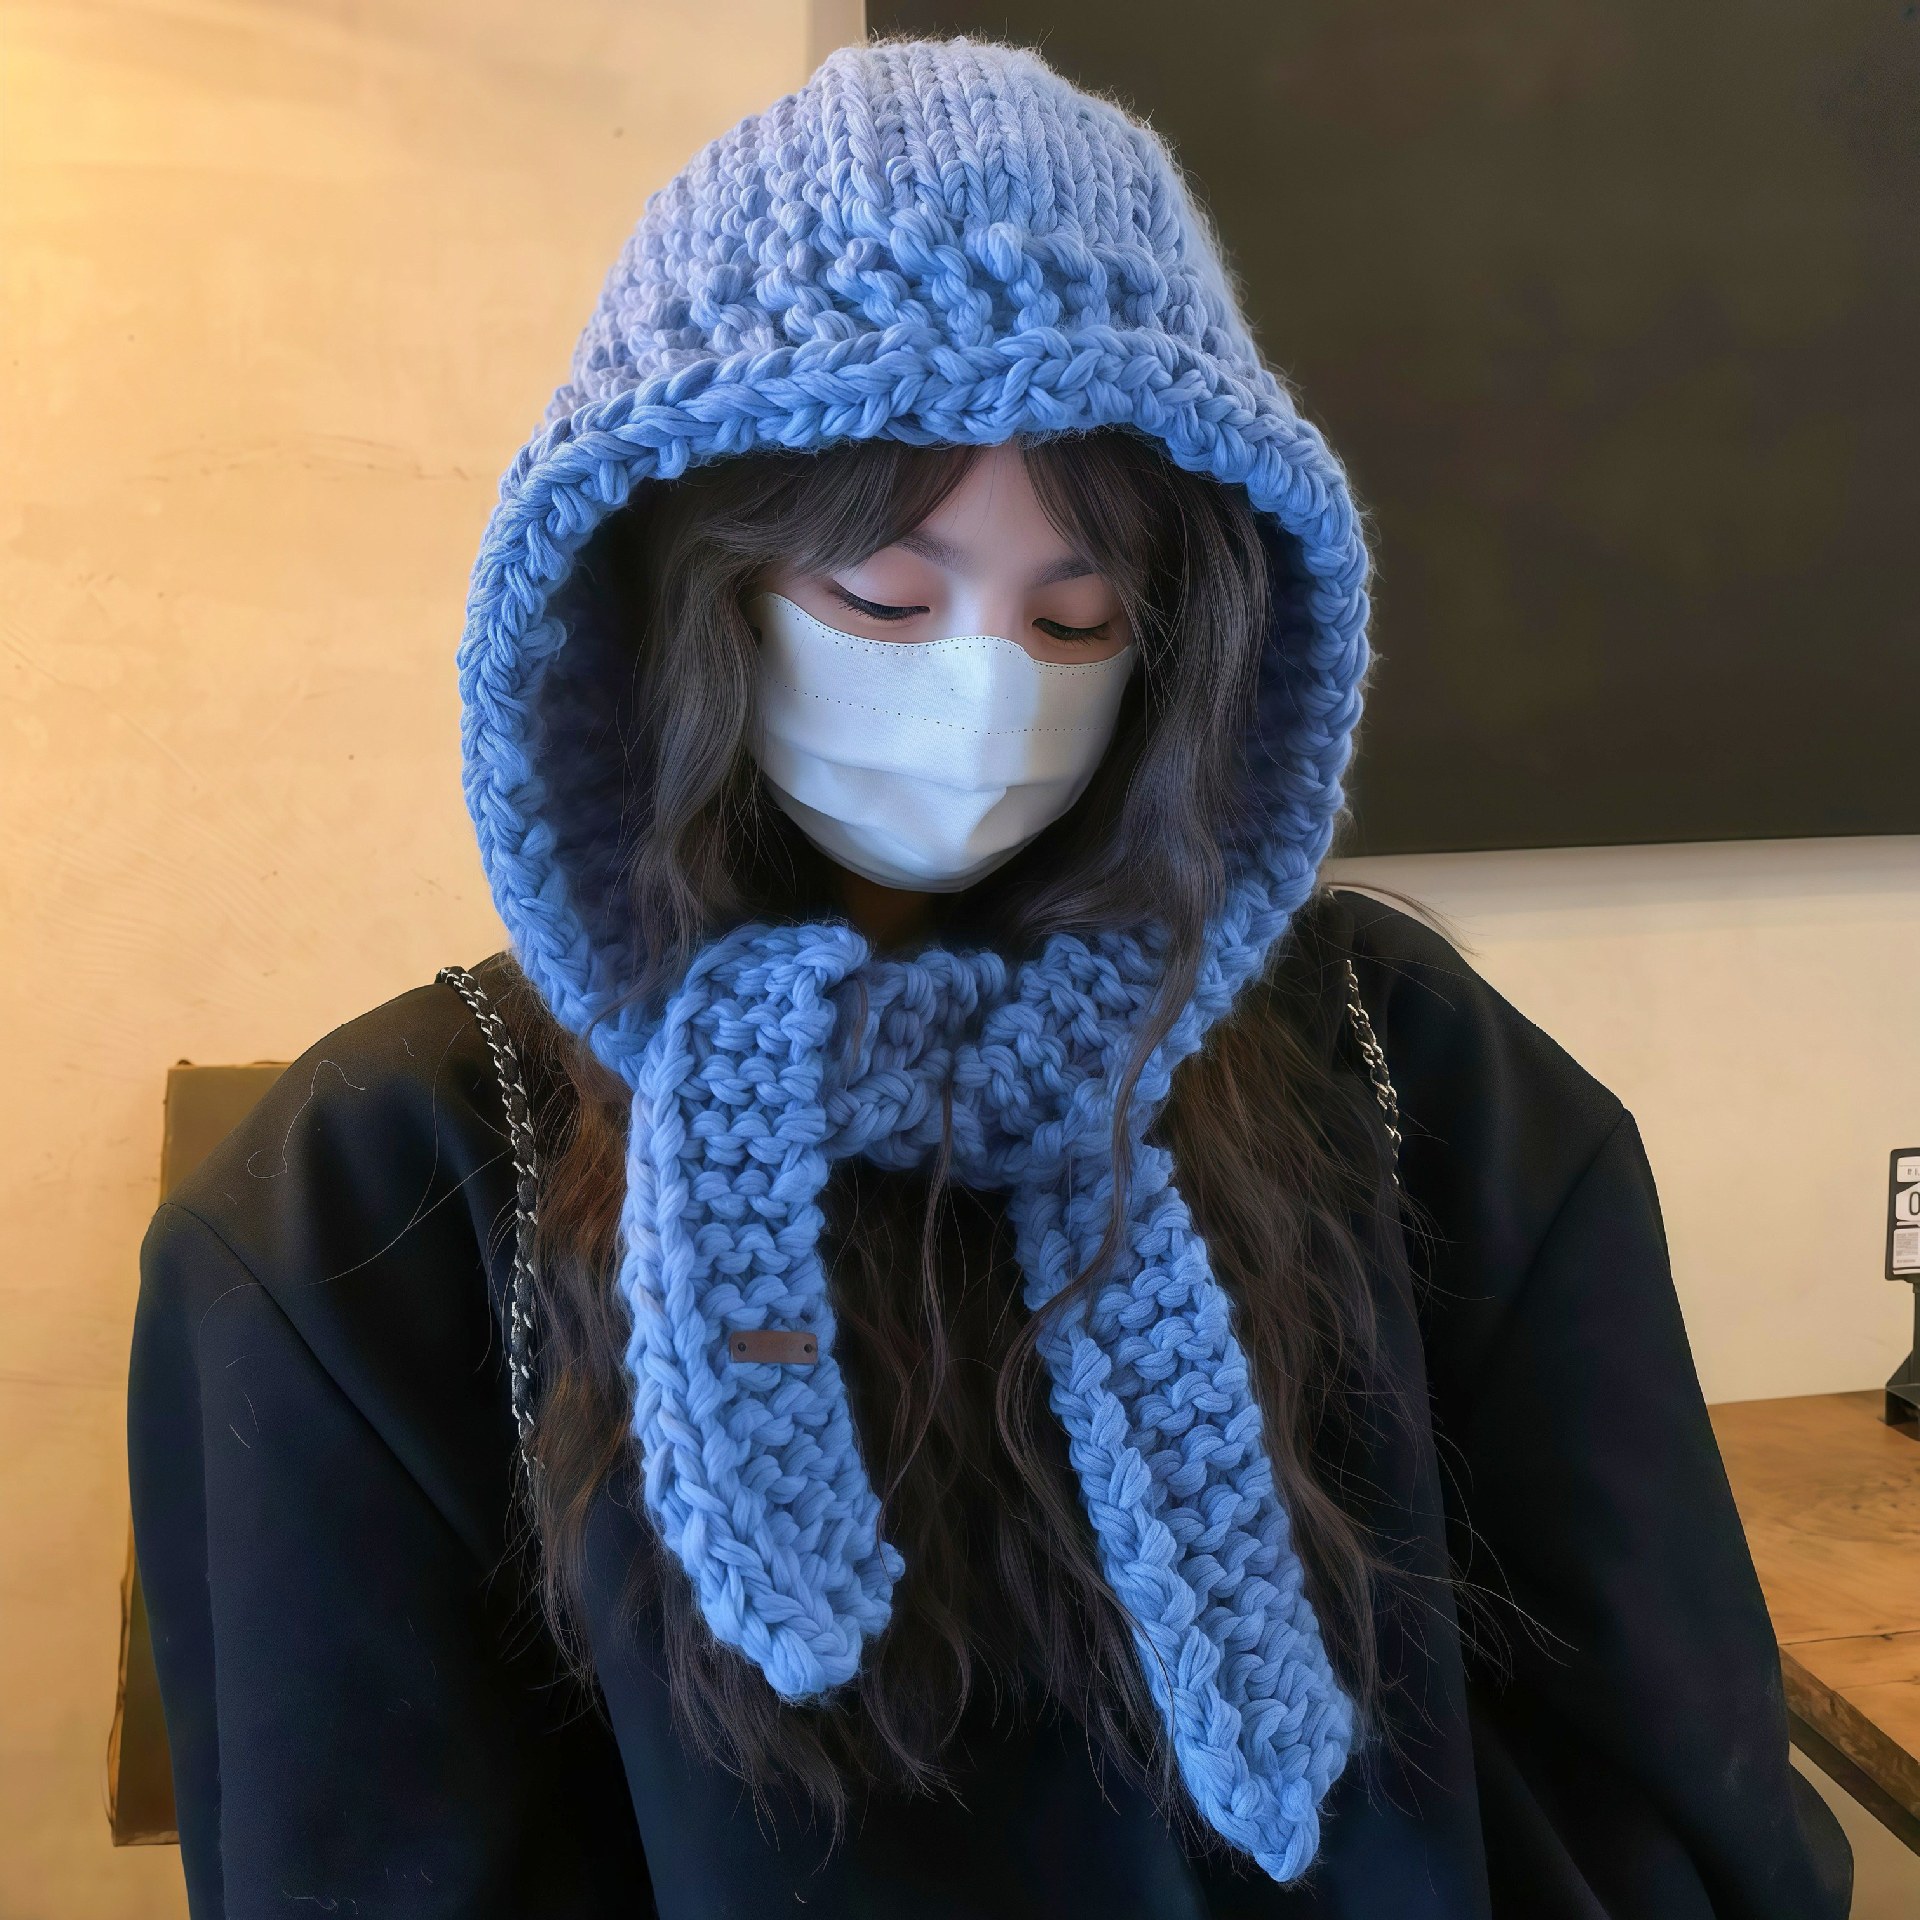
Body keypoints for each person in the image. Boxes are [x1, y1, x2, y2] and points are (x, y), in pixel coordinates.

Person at [126, 37, 1851, 1920]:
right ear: (675, 588)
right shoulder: (367, 1205)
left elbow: (1678, 1803)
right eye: (883, 595)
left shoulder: (1418, 1079)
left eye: (1078, 611)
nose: (984, 694)